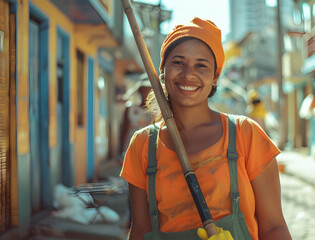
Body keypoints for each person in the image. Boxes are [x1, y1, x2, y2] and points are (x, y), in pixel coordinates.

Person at [120, 17, 292, 240]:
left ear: (215, 77)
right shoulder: (143, 145)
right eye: (178, 62)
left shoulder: (245, 135)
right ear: (162, 71)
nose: (188, 73)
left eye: (201, 65)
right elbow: (140, 231)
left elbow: (274, 228)